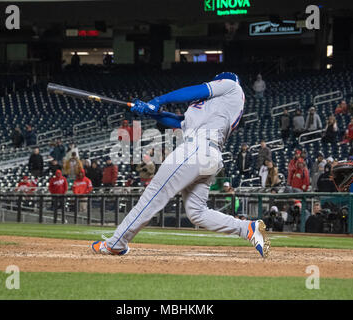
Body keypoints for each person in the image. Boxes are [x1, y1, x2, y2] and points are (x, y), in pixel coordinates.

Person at [91, 72, 270, 258]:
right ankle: (246, 228)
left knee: (154, 194)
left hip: (197, 148)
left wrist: (158, 100)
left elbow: (196, 90)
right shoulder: (211, 109)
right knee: (197, 212)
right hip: (209, 154)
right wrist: (151, 111)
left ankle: (116, 243)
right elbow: (179, 123)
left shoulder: (232, 85)